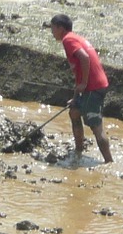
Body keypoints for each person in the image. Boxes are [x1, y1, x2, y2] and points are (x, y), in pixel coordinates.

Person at [47, 13, 112, 163]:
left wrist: (83, 84)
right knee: (74, 112)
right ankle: (78, 151)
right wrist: (76, 96)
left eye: (53, 29)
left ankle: (109, 163)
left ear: (60, 28)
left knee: (96, 127)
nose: (52, 32)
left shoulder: (68, 39)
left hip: (93, 87)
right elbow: (79, 68)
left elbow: (84, 58)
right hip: (94, 85)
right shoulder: (74, 37)